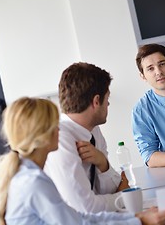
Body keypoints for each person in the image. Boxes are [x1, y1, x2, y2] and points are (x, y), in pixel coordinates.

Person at [0, 97, 165, 225]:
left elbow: (79, 218)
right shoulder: (33, 182)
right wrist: (139, 221)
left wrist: (137, 218)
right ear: (41, 135)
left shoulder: (28, 174)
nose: (59, 129)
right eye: (54, 124)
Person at [44, 62, 127, 213]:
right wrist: (123, 197)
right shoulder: (59, 138)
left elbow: (108, 190)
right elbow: (84, 208)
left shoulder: (93, 130)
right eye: (107, 98)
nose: (108, 103)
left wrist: (103, 163)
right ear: (96, 101)